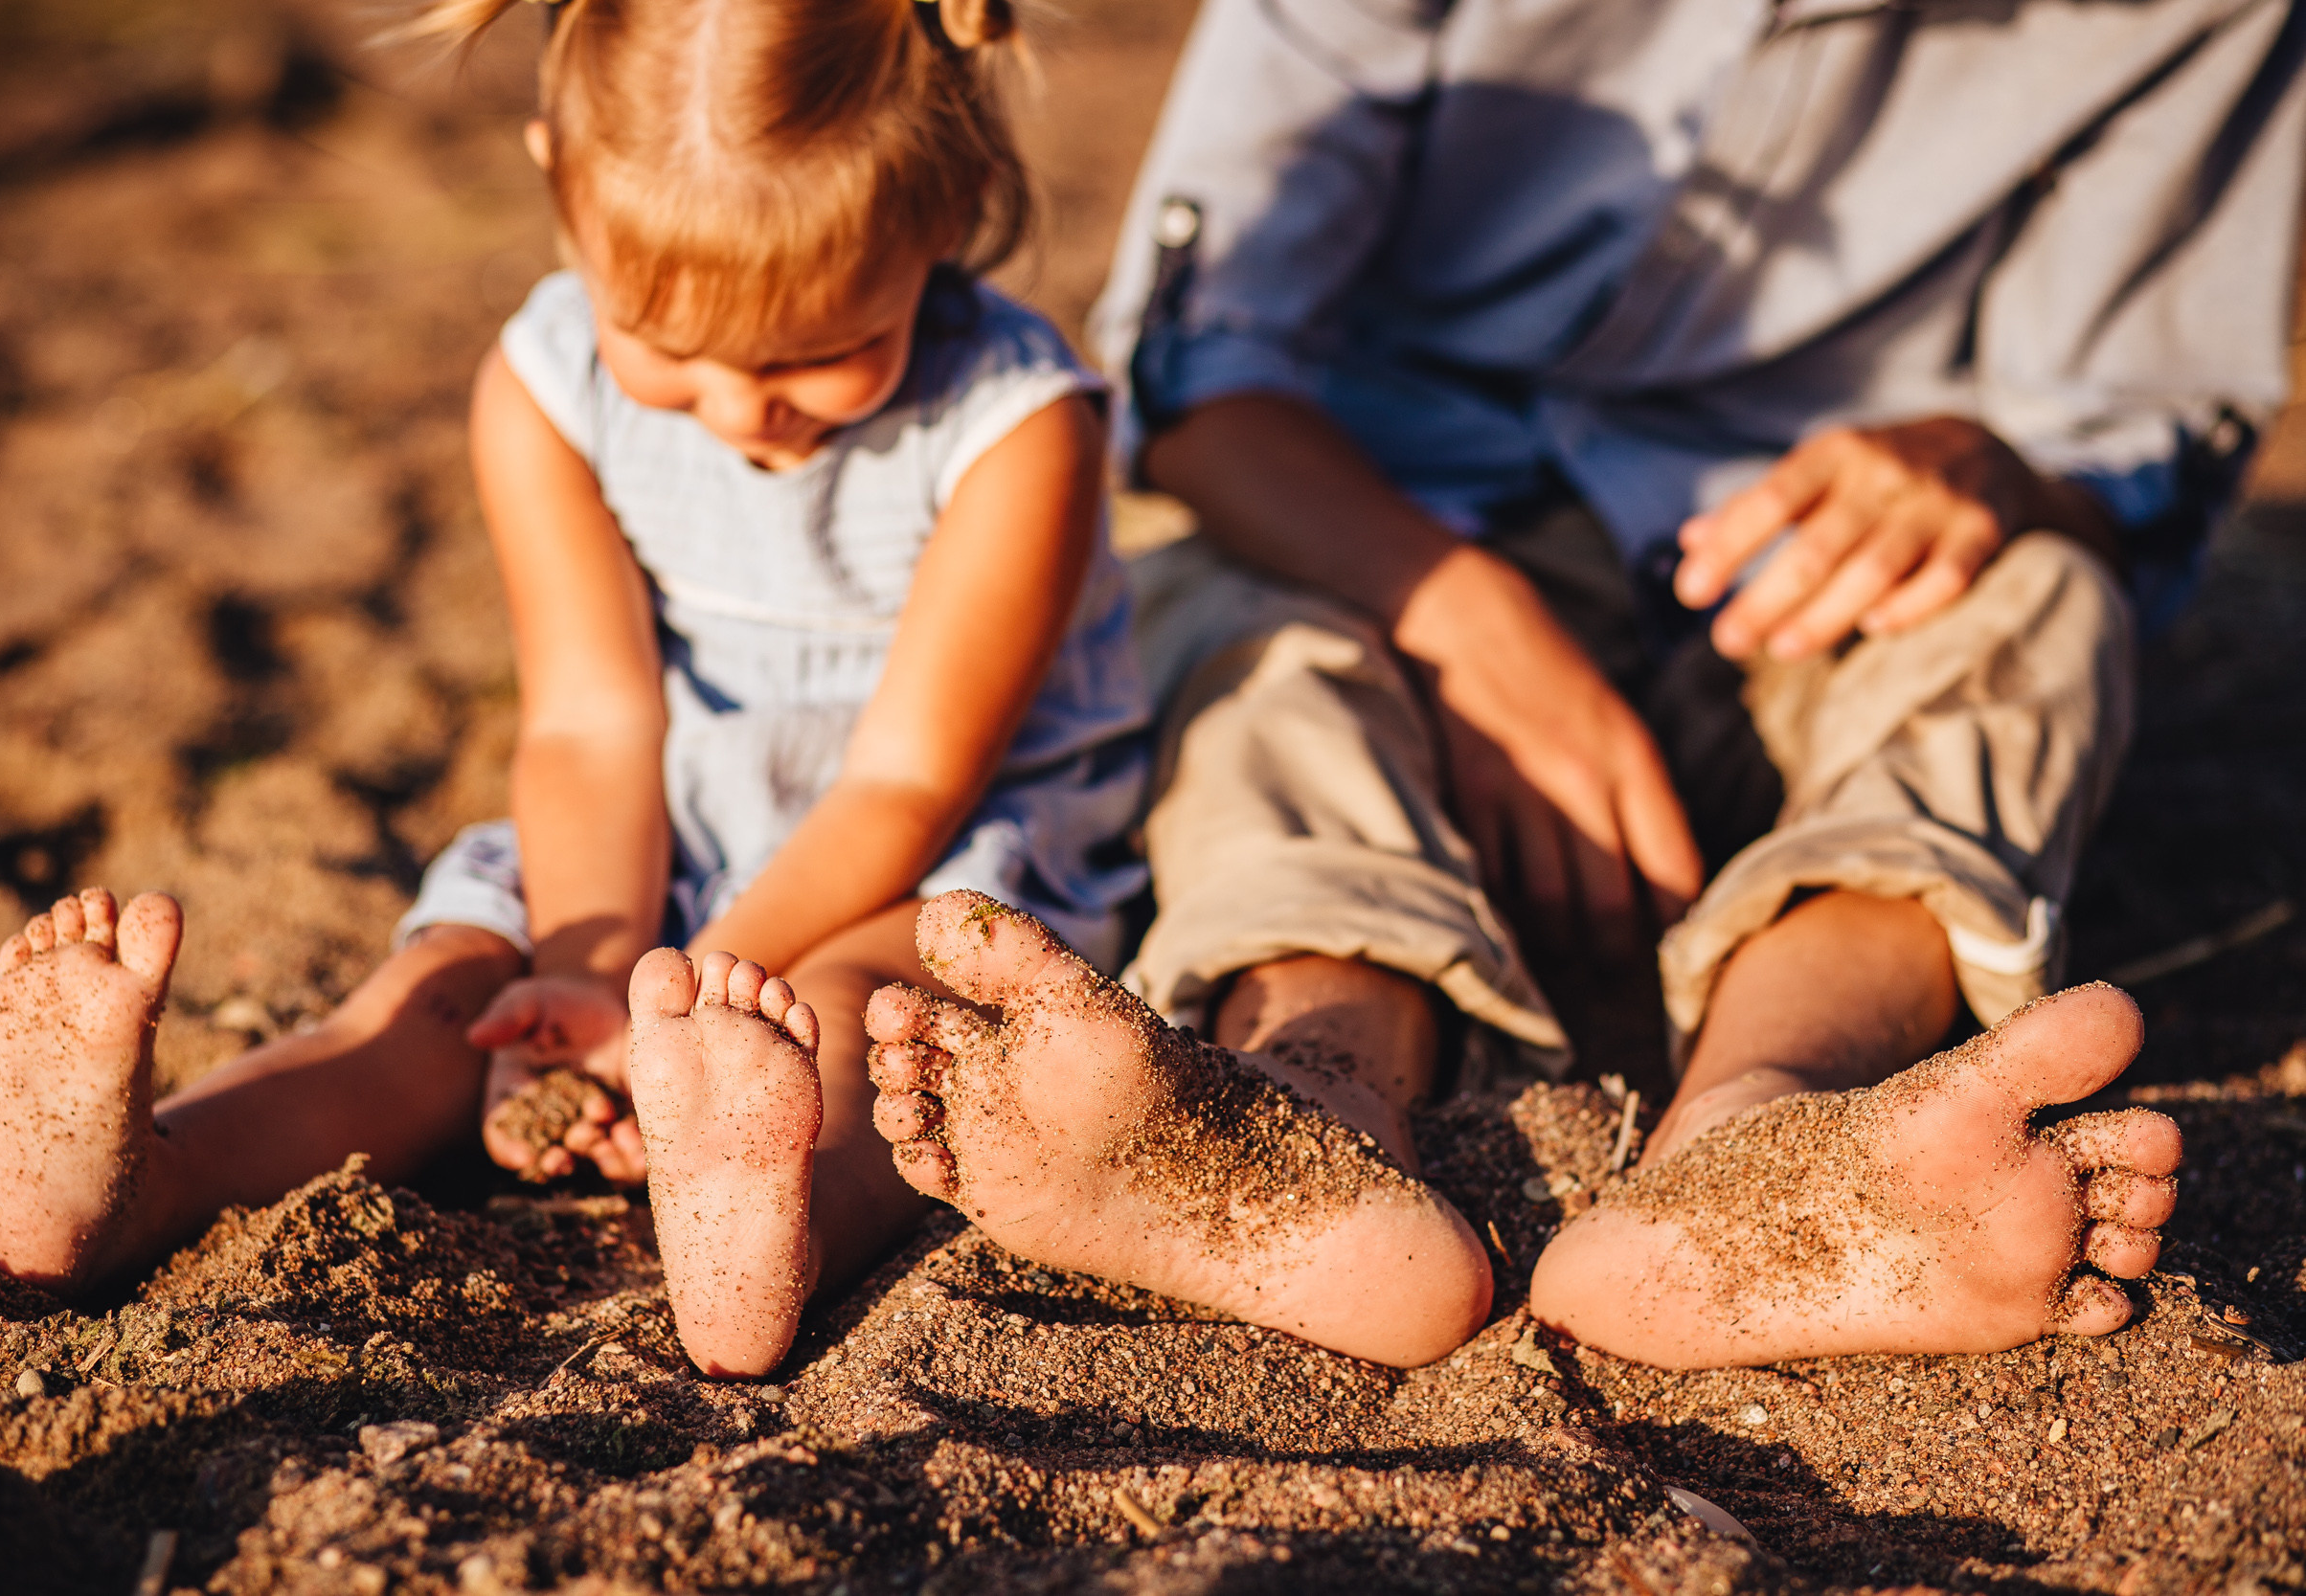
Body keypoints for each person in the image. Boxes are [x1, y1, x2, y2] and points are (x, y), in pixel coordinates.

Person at [863, 0, 2306, 1369]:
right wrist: (1473, 624)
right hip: (1370, 528)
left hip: (1788, 593)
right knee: (1244, 632)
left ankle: (1759, 1136)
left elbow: (2132, 424)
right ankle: (1308, 1102)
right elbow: (1202, 387)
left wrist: (2004, 475)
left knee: (2041, 598)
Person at [0, 0, 1157, 1380]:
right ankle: (139, 1181)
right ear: (555, 179)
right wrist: (583, 974)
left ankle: (776, 1228)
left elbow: (908, 782)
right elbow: (592, 720)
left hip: (916, 853)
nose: (739, 410)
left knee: (852, 1021)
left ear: (943, 207)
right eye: (668, 344)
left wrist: (686, 995)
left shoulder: (1017, 430)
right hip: (649, 818)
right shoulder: (543, 386)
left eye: (816, 355)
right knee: (438, 999)